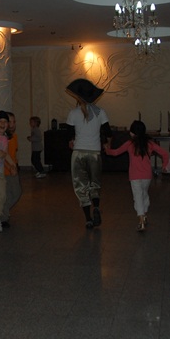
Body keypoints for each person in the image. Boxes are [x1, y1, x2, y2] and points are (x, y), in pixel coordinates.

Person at [104, 120, 169, 232]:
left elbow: (115, 152)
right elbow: (164, 153)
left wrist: (107, 150)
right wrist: (164, 165)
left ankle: (141, 221)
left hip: (134, 176)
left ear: (132, 132)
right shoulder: (149, 143)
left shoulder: (129, 144)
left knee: (137, 197)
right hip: (147, 175)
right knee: (144, 195)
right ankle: (144, 215)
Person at [65, 78, 112, 229]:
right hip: (95, 153)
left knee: (81, 186)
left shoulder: (73, 113)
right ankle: (96, 206)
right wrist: (107, 144)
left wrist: (71, 141)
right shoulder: (100, 112)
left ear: (78, 98)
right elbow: (108, 132)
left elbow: (69, 134)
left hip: (78, 153)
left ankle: (88, 219)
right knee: (95, 183)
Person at [0, 111, 22, 229]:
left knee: (16, 193)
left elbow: (13, 154)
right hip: (5, 171)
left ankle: (0, 212)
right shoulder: (2, 138)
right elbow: (1, 155)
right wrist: (9, 167)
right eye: (10, 122)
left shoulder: (14, 137)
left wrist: (15, 166)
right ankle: (3, 217)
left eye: (14, 121)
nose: (12, 124)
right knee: (7, 194)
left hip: (13, 169)